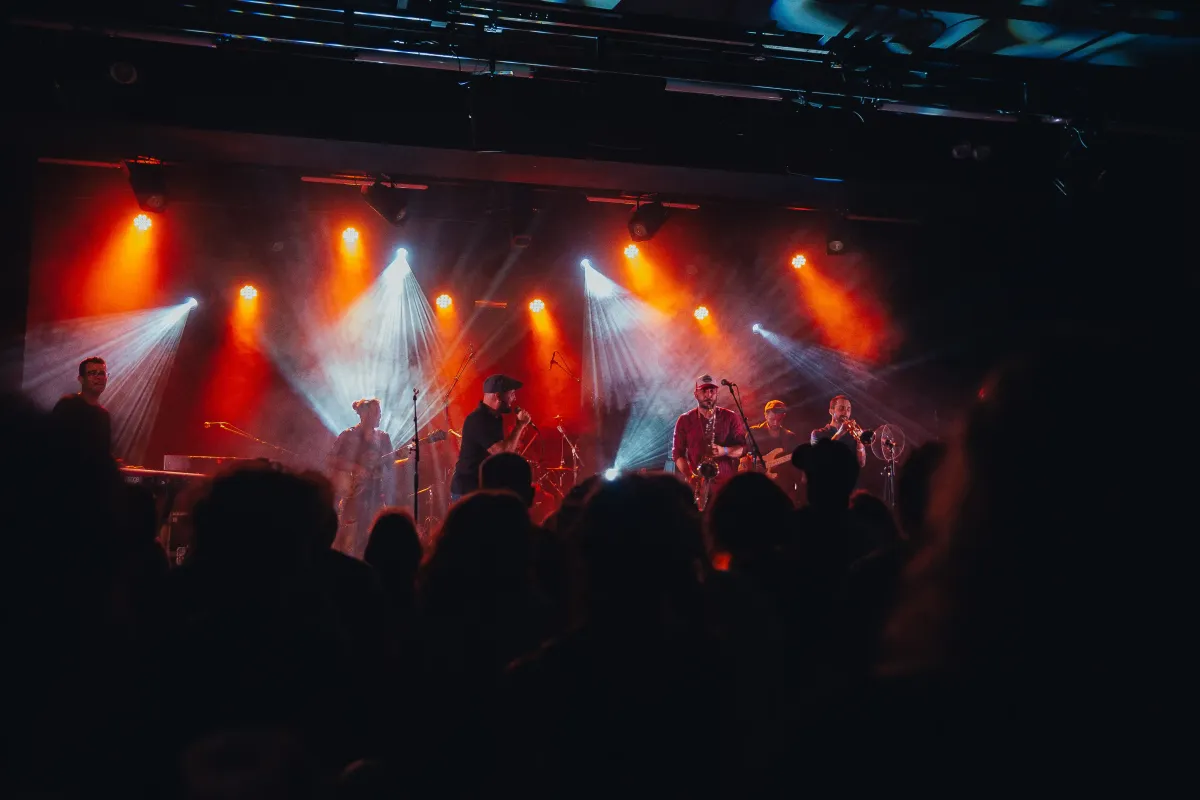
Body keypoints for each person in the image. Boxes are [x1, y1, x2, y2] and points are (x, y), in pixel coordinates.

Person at [449, 374, 533, 502]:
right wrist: (520, 425)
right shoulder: (478, 419)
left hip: (481, 488)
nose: (514, 398)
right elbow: (503, 453)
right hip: (468, 490)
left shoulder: (495, 418)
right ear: (498, 396)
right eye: (511, 394)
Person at [329, 398, 393, 557]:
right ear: (368, 415)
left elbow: (391, 464)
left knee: (377, 541)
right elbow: (331, 459)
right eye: (378, 413)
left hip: (376, 497)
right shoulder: (348, 435)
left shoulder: (383, 438)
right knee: (348, 543)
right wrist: (356, 468)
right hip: (353, 496)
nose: (380, 416)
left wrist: (407, 458)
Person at [672, 374, 746, 508]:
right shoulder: (684, 420)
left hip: (726, 489)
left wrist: (724, 450)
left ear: (717, 392)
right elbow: (677, 454)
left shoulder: (731, 417)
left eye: (712, 390)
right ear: (696, 394)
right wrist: (691, 477)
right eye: (704, 391)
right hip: (697, 486)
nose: (708, 394)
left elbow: (743, 448)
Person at [51, 356, 113, 463]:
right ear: (81, 379)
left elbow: (103, 454)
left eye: (102, 373)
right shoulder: (67, 405)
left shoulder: (104, 416)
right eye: (92, 373)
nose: (98, 377)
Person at [743, 399, 801, 502]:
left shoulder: (789, 436)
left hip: (783, 487)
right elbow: (743, 455)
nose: (775, 422)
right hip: (758, 485)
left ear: (783, 416)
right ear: (765, 415)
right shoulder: (754, 432)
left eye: (779, 420)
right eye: (772, 419)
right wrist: (753, 463)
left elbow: (795, 463)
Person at [811, 393, 867, 468]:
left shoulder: (852, 435)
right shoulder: (818, 433)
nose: (846, 412)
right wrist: (840, 432)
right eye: (841, 408)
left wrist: (860, 443)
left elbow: (861, 463)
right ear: (831, 411)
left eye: (848, 409)